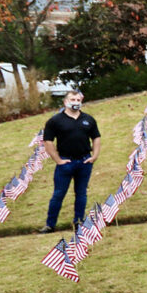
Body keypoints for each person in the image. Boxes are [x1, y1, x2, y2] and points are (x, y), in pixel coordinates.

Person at [40, 91, 101, 233]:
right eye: (73, 99)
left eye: (78, 99)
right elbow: (48, 141)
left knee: (81, 193)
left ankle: (79, 221)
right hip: (66, 163)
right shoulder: (55, 121)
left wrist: (95, 156)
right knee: (58, 194)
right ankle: (50, 224)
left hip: (84, 162)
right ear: (65, 102)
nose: (76, 102)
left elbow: (96, 137)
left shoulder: (89, 119)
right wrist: (58, 160)